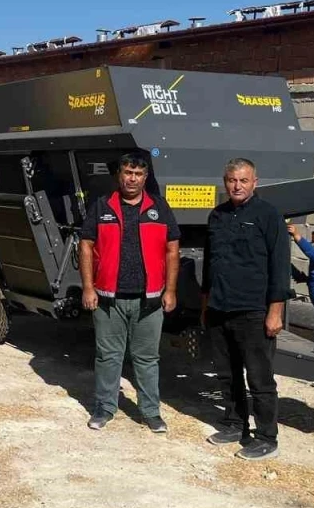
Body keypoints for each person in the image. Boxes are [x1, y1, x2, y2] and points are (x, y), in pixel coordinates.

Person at [79, 151, 181, 433]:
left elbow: (172, 250)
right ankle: (104, 408)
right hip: (108, 299)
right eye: (127, 173)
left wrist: (171, 290)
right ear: (119, 175)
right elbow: (86, 245)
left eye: (138, 174)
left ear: (145, 177)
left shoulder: (159, 207)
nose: (132, 179)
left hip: (149, 300)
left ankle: (151, 412)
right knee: (108, 357)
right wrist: (88, 287)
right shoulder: (102, 206)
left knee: (147, 359)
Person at [200, 158, 288, 460]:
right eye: (232, 180)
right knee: (227, 374)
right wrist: (205, 305)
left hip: (253, 310)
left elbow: (279, 267)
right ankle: (235, 425)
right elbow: (209, 265)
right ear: (225, 182)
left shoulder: (269, 215)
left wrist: (275, 311)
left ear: (255, 182)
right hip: (219, 307)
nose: (237, 186)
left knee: (260, 378)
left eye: (243, 180)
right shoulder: (217, 216)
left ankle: (266, 437)